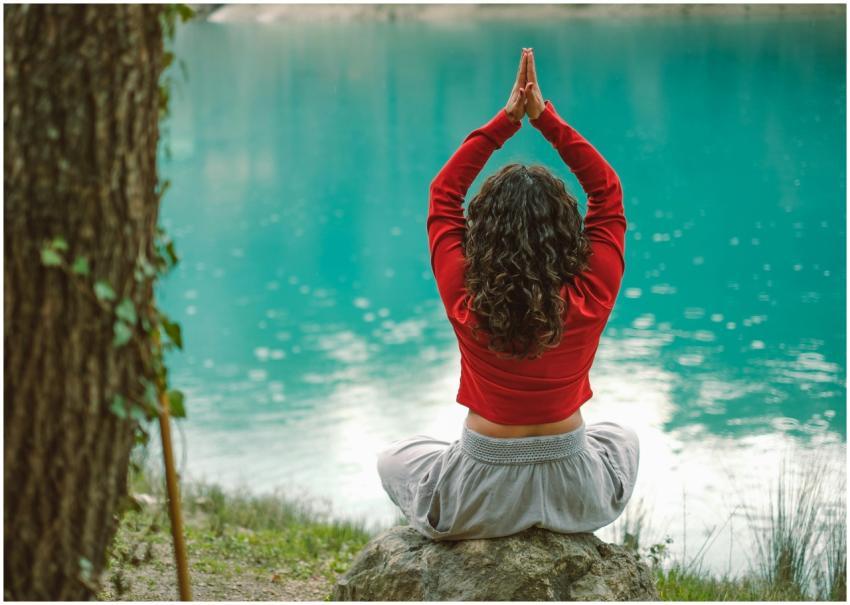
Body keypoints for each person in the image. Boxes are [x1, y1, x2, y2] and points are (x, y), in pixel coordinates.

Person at [377, 48, 639, 540]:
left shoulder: (468, 299)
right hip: (575, 487)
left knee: (394, 457)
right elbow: (608, 193)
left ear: (485, 233)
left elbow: (443, 195)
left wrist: (505, 122)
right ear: (566, 230)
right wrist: (546, 119)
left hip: (481, 488)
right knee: (621, 438)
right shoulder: (591, 294)